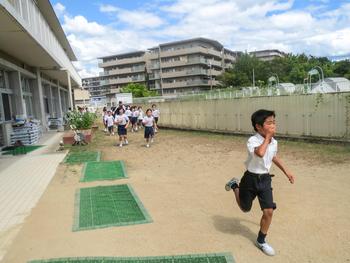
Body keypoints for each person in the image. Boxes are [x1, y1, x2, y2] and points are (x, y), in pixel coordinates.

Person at [225, 109, 295, 257]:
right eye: (269, 123)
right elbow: (260, 153)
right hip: (250, 179)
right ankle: (234, 185)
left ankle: (261, 240)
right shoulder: (253, 141)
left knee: (269, 211)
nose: (273, 126)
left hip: (264, 179)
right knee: (245, 208)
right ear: (258, 126)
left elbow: (272, 157)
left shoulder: (274, 142)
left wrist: (286, 171)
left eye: (274, 122)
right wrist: (268, 137)